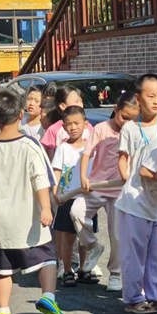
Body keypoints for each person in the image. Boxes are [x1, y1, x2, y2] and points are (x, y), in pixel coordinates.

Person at [0, 88, 68, 314]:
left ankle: (3, 311)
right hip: (29, 219)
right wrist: (46, 209)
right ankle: (48, 296)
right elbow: (41, 179)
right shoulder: (30, 145)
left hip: (0, 222)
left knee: (2, 269)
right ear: (20, 115)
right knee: (47, 259)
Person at [72, 91, 139, 289]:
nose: (126, 123)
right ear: (116, 109)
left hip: (119, 190)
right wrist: (84, 176)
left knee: (117, 234)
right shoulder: (101, 129)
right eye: (124, 117)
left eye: (132, 119)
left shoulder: (135, 131)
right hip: (97, 186)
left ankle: (116, 274)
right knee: (76, 211)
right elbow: (86, 154)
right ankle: (93, 245)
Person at [116, 74, 157, 314]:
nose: (156, 101)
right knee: (134, 253)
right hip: (134, 201)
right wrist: (129, 182)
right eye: (151, 96)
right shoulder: (130, 128)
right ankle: (133, 298)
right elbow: (123, 160)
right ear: (138, 98)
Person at [51, 105, 89, 287]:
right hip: (66, 198)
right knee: (67, 236)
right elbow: (56, 171)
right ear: (63, 127)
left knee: (85, 236)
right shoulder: (63, 148)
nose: (73, 127)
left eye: (77, 123)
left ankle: (84, 269)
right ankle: (67, 270)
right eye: (69, 124)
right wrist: (55, 192)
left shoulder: (90, 148)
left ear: (85, 124)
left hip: (86, 198)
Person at [40, 85, 91, 159]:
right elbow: (50, 159)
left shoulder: (88, 127)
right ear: (62, 106)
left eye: (81, 101)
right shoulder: (54, 130)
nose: (80, 105)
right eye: (76, 101)